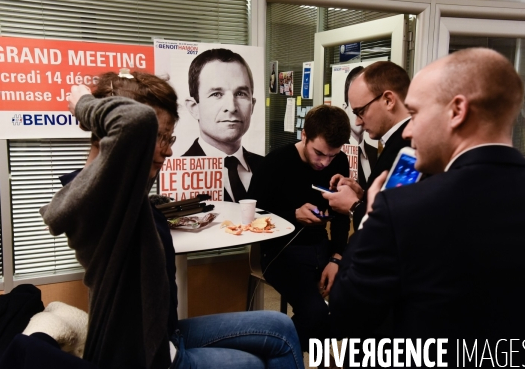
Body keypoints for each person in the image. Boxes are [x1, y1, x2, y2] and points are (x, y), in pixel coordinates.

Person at [40, 71, 304, 369]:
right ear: (112, 133)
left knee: (279, 327)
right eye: (159, 137)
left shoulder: (122, 193)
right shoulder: (92, 199)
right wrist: (83, 105)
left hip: (166, 335)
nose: (167, 150)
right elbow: (133, 120)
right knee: (253, 364)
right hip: (145, 358)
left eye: (169, 137)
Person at [330, 48, 525, 367]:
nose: (408, 130)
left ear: (457, 110)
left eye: (414, 114)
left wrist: (369, 219)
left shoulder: (400, 209)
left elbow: (348, 314)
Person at [248, 105, 351, 353]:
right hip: (279, 253)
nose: (325, 163)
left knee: (353, 311)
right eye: (319, 153)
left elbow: (340, 217)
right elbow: (253, 218)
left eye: (332, 156)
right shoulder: (275, 162)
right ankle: (275, 350)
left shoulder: (340, 161)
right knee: (316, 315)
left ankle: (288, 352)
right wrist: (292, 216)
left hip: (321, 249)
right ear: (304, 135)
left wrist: (337, 259)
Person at [324, 61, 411, 229]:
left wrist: (354, 206)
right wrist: (362, 195)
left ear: (388, 100)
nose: (357, 122)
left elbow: (395, 225)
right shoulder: (396, 143)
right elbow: (391, 203)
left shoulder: (407, 149)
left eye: (360, 112)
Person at [183, 48, 263, 203]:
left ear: (252, 105)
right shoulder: (177, 175)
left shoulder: (268, 168)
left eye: (240, 93)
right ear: (194, 108)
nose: (231, 107)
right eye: (216, 94)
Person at [342, 66, 378, 190]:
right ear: (345, 108)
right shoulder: (335, 153)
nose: (358, 120)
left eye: (362, 110)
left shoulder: (375, 152)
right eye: (355, 111)